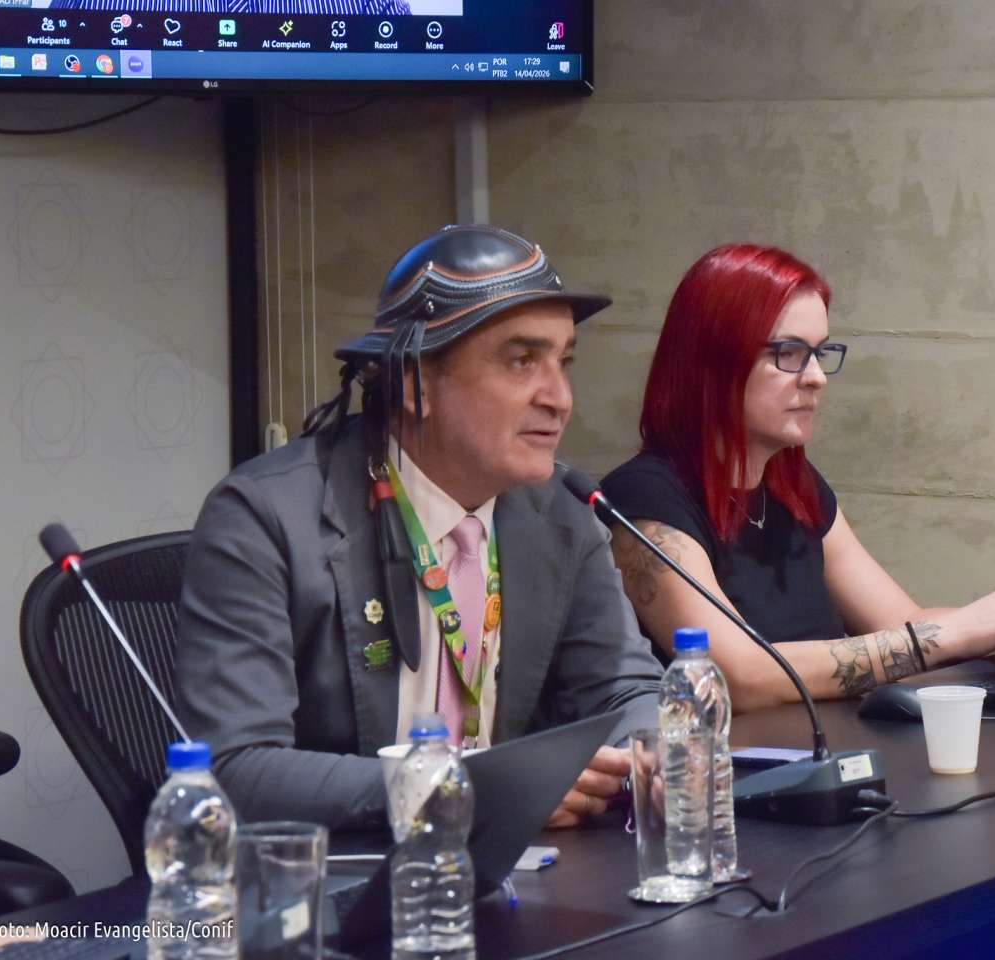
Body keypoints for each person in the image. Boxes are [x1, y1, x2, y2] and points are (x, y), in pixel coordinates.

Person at [175, 224, 662, 832]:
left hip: (514, 864)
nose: (560, 398)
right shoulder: (263, 518)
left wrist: (659, 753)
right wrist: (455, 789)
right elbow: (236, 768)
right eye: (522, 361)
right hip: (341, 869)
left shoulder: (561, 511)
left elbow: (626, 691)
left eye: (563, 362)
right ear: (414, 384)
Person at [600, 244, 995, 712]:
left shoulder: (794, 485)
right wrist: (951, 634)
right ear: (711, 361)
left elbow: (902, 622)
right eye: (789, 353)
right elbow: (736, 674)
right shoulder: (644, 499)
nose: (816, 377)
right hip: (735, 763)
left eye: (820, 352)